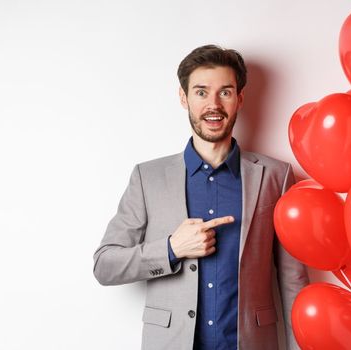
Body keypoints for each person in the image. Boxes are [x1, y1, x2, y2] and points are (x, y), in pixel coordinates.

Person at [92, 44, 309, 350]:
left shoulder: (276, 176)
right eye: (201, 92)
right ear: (184, 98)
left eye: (225, 92)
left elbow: (293, 281)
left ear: (240, 98)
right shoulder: (148, 178)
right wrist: (170, 249)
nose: (213, 104)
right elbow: (105, 265)